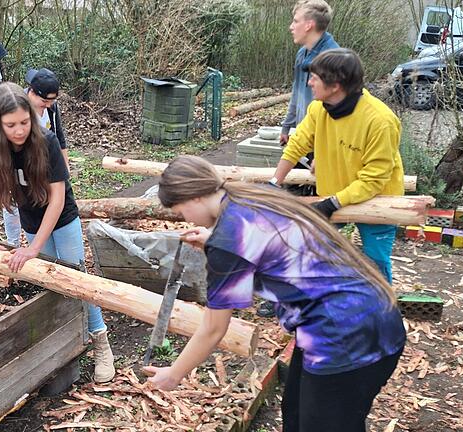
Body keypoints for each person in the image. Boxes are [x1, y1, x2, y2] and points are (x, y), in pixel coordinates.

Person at [144, 155, 405, 432]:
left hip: (347, 335)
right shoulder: (254, 194)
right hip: (363, 314)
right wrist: (212, 241)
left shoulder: (227, 242)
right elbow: (262, 244)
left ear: (194, 197)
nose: (182, 218)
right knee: (296, 414)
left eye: (180, 211)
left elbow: (213, 328)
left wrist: (174, 374)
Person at [0, 82, 115, 383]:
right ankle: (65, 341)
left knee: (77, 276)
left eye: (24, 122)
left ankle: (101, 342)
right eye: (10, 125)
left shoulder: (45, 140)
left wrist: (33, 248)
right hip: (30, 218)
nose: (19, 130)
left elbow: (58, 197)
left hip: (62, 217)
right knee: (50, 281)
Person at [271, 48, 404, 284]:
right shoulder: (318, 108)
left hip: (378, 198)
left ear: (335, 86)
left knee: (375, 260)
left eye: (315, 78)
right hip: (334, 192)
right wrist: (274, 183)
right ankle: (299, 298)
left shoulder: (380, 121)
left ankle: (381, 310)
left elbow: (373, 180)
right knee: (311, 247)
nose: (309, 82)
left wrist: (332, 203)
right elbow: (297, 144)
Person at [2, 67, 71, 245]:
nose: (48, 104)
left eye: (52, 100)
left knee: (51, 203)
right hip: (20, 171)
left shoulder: (51, 107)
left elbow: (59, 138)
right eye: (44, 101)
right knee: (16, 207)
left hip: (46, 167)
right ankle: (13, 243)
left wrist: (65, 170)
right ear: (31, 93)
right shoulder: (17, 109)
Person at [280, 0, 339, 192]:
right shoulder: (301, 54)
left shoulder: (333, 58)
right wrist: (287, 126)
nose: (291, 26)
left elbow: (338, 111)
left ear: (309, 25)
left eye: (295, 21)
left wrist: (323, 152)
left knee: (318, 201)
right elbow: (297, 92)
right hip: (303, 136)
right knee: (292, 193)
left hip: (323, 142)